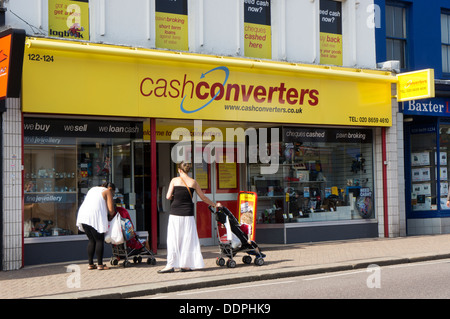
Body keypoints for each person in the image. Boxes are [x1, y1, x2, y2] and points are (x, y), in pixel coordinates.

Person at [158, 161, 221, 273]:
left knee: (173, 239)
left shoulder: (174, 180)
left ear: (179, 170)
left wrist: (174, 195)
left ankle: (170, 265)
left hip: (175, 213)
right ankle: (186, 265)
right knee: (187, 239)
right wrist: (214, 204)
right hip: (188, 214)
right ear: (188, 170)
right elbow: (203, 197)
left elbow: (167, 196)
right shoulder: (193, 182)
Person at [76, 182, 116, 270]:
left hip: (83, 216)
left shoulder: (92, 189)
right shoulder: (107, 191)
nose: (112, 195)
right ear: (111, 189)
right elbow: (111, 210)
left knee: (91, 240)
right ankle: (100, 265)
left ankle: (90, 264)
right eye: (113, 193)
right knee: (99, 240)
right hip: (95, 217)